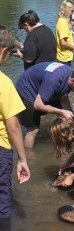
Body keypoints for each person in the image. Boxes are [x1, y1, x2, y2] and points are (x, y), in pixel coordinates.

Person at [15, 62, 74, 148]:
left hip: (43, 87)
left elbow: (63, 96)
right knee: (33, 129)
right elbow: (37, 104)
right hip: (26, 90)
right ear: (73, 81)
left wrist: (71, 115)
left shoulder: (71, 75)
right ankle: (28, 156)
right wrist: (61, 111)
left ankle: (64, 144)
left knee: (67, 119)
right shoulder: (54, 79)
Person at [0, 26, 30, 228]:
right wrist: (22, 159)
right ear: (2, 51)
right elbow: (14, 126)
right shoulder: (4, 83)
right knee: (2, 197)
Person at [56, 0, 74, 66]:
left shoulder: (65, 21)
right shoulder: (63, 23)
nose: (73, 13)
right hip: (63, 58)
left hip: (66, 56)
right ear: (66, 10)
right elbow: (63, 43)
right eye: (72, 11)